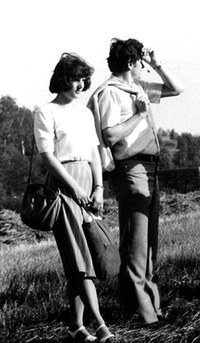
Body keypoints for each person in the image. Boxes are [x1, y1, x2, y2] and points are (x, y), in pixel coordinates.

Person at [88, 38, 184, 326]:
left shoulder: (137, 87)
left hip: (150, 166)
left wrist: (158, 64)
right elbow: (109, 135)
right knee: (137, 242)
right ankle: (143, 312)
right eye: (142, 63)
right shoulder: (109, 93)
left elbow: (176, 89)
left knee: (149, 242)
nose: (145, 69)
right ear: (131, 64)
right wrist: (140, 115)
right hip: (130, 166)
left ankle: (148, 305)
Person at [34, 53, 114, 342]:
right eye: (75, 78)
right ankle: (102, 326)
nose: (80, 85)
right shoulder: (46, 112)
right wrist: (75, 189)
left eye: (83, 79)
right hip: (62, 185)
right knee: (80, 260)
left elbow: (94, 152)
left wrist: (98, 188)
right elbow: (47, 157)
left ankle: (76, 327)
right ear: (62, 79)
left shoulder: (84, 112)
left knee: (85, 254)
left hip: (88, 182)